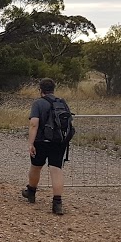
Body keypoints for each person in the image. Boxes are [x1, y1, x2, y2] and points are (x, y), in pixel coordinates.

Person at [23, 78, 69, 215]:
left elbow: (34, 124)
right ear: (53, 89)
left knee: (36, 167)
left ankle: (31, 191)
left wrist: (30, 143)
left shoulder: (38, 103)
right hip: (58, 141)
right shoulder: (62, 103)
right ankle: (57, 203)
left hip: (41, 141)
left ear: (40, 90)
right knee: (56, 170)